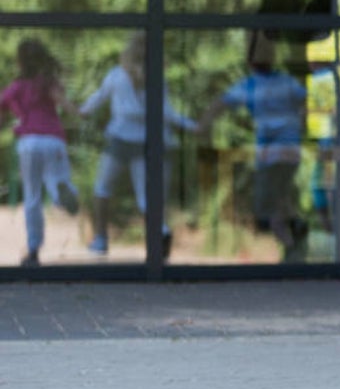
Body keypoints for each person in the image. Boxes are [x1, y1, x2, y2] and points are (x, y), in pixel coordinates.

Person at [79, 32, 196, 258]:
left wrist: (78, 111)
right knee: (146, 197)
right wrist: (193, 126)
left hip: (120, 138)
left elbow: (96, 100)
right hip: (148, 140)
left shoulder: (116, 75)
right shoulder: (157, 78)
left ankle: (101, 239)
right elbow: (168, 112)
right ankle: (160, 233)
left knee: (102, 188)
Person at [198, 30, 309, 262]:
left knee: (266, 203)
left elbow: (219, 105)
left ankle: (292, 243)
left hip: (271, 154)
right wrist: (301, 124)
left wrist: (202, 127)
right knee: (281, 197)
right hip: (290, 152)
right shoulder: (286, 81)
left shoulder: (250, 86)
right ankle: (295, 234)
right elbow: (304, 101)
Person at [0, 38, 80, 266]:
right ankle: (60, 194)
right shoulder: (48, 81)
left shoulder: (16, 86)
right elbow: (63, 103)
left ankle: (33, 248)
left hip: (28, 141)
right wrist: (79, 112)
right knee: (57, 180)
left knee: (33, 196)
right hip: (53, 139)